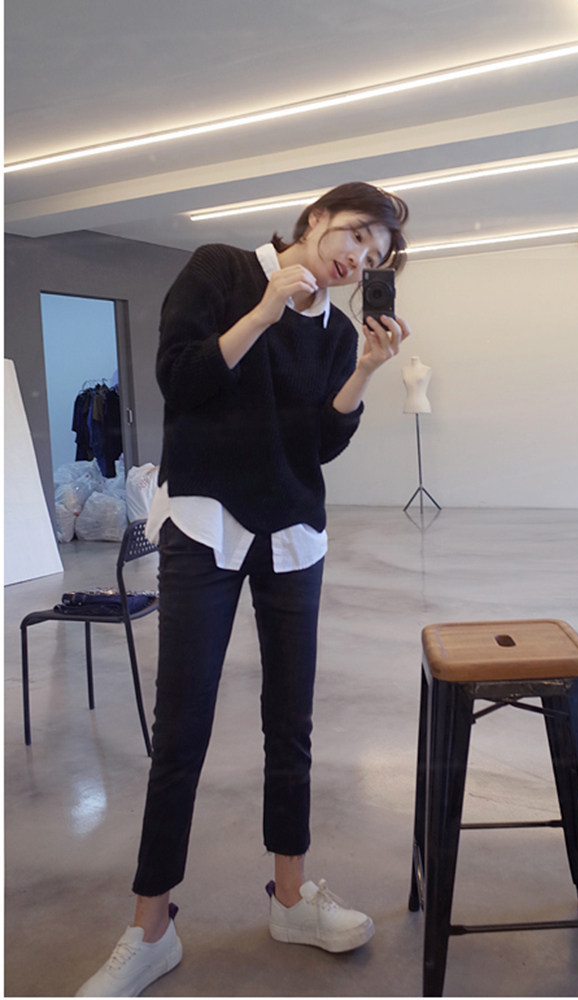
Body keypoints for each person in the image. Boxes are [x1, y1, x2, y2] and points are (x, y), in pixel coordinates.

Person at [76, 181, 410, 997]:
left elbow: (318, 442)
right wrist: (263, 311)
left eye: (375, 255)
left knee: (290, 724)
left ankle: (291, 898)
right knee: (181, 728)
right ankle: (150, 928)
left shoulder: (337, 331)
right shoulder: (221, 270)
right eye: (356, 234)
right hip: (205, 526)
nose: (359, 258)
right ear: (317, 218)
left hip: (294, 534)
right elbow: (180, 379)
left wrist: (364, 371)